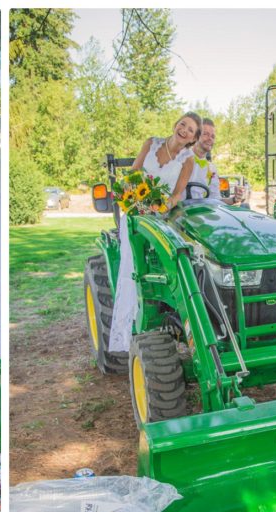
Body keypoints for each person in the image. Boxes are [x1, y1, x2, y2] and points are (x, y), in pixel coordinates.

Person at [109, 114, 201, 353]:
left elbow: (176, 195)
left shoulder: (188, 160)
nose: (184, 130)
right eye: (182, 123)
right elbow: (133, 175)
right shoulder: (151, 143)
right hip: (135, 212)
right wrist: (135, 202)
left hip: (160, 216)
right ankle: (125, 327)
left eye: (190, 130)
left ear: (193, 139)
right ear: (176, 123)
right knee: (131, 264)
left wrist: (159, 207)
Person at [186, 118, 246, 204]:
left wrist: (234, 199)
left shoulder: (212, 169)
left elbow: (216, 200)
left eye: (213, 136)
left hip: (200, 213)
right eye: (206, 134)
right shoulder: (181, 159)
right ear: (196, 136)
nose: (210, 138)